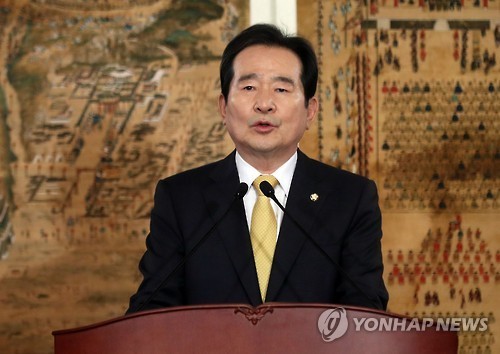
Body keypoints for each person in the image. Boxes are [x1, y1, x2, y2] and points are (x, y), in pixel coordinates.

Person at [126, 24, 388, 314]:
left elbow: (366, 314)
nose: (264, 104)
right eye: (249, 87)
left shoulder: (350, 198)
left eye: (281, 88)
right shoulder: (180, 198)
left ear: (310, 111)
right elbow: (150, 314)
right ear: (224, 107)